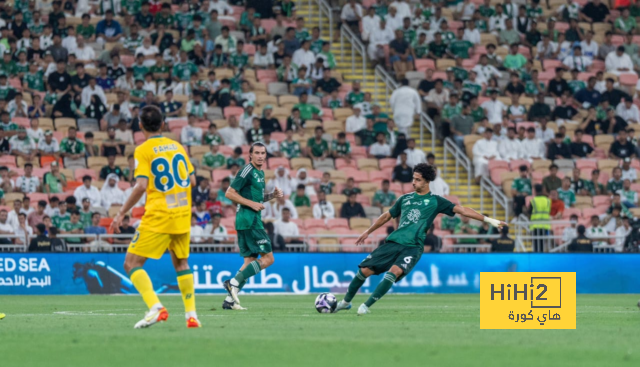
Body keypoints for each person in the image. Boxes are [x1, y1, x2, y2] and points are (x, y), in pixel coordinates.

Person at [334, 163, 506, 315]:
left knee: (393, 272)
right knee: (363, 271)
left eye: (417, 179)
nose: (413, 182)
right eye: (413, 179)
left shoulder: (436, 201)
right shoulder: (405, 199)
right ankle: (345, 302)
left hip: (413, 247)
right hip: (394, 242)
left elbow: (462, 210)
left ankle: (365, 305)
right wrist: (367, 231)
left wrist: (490, 220)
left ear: (426, 181)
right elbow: (387, 215)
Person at [108, 106, 201, 329]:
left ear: (140, 126)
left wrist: (121, 213)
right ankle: (192, 316)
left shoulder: (143, 150)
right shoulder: (178, 147)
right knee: (181, 263)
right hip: (182, 214)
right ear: (163, 125)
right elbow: (193, 181)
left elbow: (142, 185)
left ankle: (155, 307)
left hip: (159, 215)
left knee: (131, 263)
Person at [221, 143, 284, 310]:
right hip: (250, 220)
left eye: (263, 153)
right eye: (257, 153)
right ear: (250, 155)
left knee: (249, 261)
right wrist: (252, 205)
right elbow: (229, 193)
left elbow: (256, 197)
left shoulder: (260, 173)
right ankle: (233, 283)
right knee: (269, 258)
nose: (260, 156)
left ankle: (229, 301)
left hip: (246, 220)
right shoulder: (247, 170)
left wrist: (272, 195)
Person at [528, 184, 551, 252]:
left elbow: (529, 212)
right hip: (545, 226)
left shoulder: (533, 201)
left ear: (535, 191)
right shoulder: (548, 200)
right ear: (542, 190)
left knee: (536, 245)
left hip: (535, 226)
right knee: (542, 244)